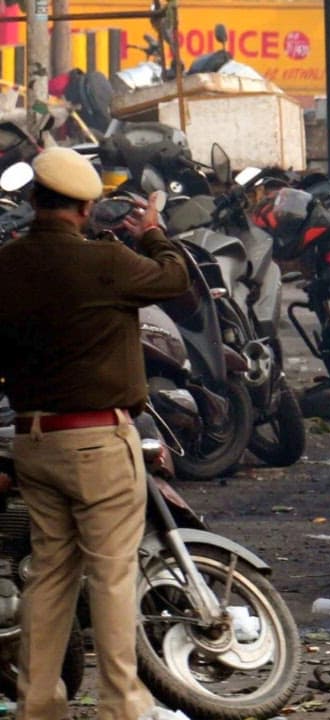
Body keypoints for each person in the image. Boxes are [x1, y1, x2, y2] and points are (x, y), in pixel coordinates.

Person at [0, 148, 190, 719]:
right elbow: (176, 279)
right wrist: (152, 232)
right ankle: (121, 705)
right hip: (97, 442)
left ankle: (38, 704)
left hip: (34, 440)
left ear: (34, 201)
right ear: (84, 209)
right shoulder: (104, 261)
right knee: (110, 575)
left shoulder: (7, 263)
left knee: (49, 576)